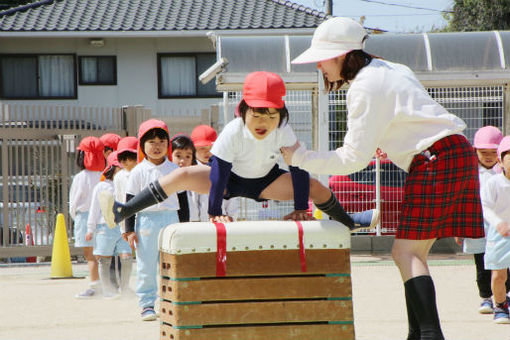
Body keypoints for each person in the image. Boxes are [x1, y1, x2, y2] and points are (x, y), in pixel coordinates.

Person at [280, 17, 484, 340]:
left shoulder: (364, 86)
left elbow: (351, 159)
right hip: (454, 152)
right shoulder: (391, 68)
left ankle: (430, 335)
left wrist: (299, 157)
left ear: (344, 55)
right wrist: (390, 145)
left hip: (435, 160)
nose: (318, 65)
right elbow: (408, 116)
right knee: (410, 255)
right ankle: (417, 335)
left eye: (323, 57)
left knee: (405, 253)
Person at [101, 71, 379, 230]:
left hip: (266, 181)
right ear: (244, 110)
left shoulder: (283, 129)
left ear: (280, 114)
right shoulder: (233, 131)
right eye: (257, 114)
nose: (263, 123)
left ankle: (349, 221)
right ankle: (123, 210)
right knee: (179, 177)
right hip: (227, 180)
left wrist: (298, 208)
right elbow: (219, 173)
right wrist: (214, 211)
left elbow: (297, 167)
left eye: (271, 115)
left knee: (316, 187)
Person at [112, 119, 180, 321]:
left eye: (161, 141)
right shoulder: (138, 171)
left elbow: (183, 200)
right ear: (142, 145)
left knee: (172, 264)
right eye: (151, 141)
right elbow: (130, 203)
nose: (157, 146)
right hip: (147, 221)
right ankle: (147, 304)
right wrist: (129, 229)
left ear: (168, 144)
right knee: (146, 264)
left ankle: (171, 302)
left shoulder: (174, 169)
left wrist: (185, 225)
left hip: (172, 219)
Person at [455, 126, 509, 314]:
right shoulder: (470, 172)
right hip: (476, 227)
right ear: (475, 151)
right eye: (482, 152)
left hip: (501, 229)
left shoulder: (503, 172)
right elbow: (462, 200)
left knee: (503, 265)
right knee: (482, 265)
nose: (488, 156)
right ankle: (486, 297)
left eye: (493, 152)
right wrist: (459, 227)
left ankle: (503, 298)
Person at [87, 152, 132, 298]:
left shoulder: (128, 183)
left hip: (123, 226)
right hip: (104, 227)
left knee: (126, 256)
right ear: (112, 168)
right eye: (120, 167)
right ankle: (107, 290)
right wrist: (90, 228)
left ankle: (125, 288)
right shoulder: (101, 186)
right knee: (105, 259)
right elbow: (94, 208)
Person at [69, 136, 104, 299]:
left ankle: (95, 285)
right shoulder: (104, 175)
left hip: (84, 217)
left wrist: (74, 216)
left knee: (90, 255)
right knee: (102, 253)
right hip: (102, 217)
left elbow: (74, 202)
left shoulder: (80, 177)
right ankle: (107, 284)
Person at [481, 136, 510, 324]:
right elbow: (485, 206)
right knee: (499, 275)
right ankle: (499, 305)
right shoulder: (494, 183)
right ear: (501, 161)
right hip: (499, 234)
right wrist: (498, 223)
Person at [190, 125, 239, 221]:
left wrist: (233, 218)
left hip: (222, 223)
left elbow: (231, 201)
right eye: (202, 148)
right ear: (193, 149)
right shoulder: (192, 171)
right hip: (199, 227)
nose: (207, 152)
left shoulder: (224, 170)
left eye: (211, 147)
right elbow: (193, 204)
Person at [169, 134, 198, 222]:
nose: (183, 161)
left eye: (188, 156)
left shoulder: (196, 179)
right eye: (178, 156)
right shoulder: (167, 179)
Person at [114, 136, 139, 234]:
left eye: (127, 157)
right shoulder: (119, 176)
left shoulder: (141, 171)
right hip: (128, 220)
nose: (124, 161)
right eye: (121, 158)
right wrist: (123, 228)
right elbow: (119, 199)